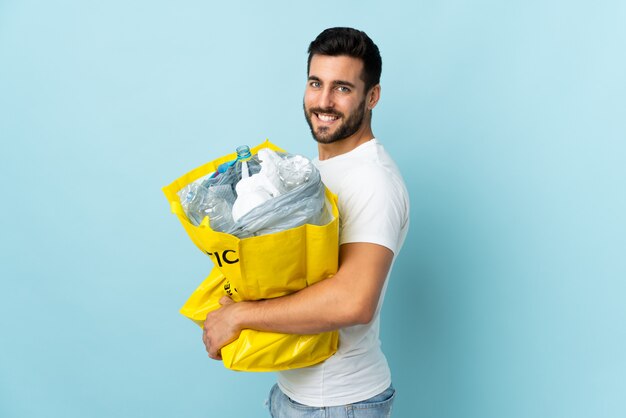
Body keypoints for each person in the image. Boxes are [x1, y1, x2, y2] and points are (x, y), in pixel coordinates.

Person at [202, 27, 410, 417]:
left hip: (340, 403)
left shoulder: (373, 180)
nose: (324, 101)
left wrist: (241, 316)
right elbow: (299, 278)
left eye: (343, 88)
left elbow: (354, 301)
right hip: (297, 396)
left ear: (373, 96)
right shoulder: (316, 174)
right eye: (316, 83)